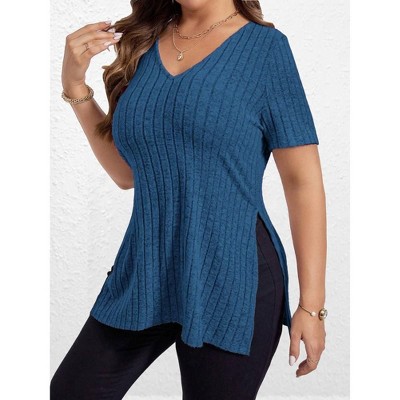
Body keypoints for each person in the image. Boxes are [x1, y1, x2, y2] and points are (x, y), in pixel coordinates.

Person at [51, 0, 327, 398]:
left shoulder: (266, 50)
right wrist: (75, 86)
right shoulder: (143, 44)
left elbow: (302, 182)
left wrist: (311, 305)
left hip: (233, 277)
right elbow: (127, 173)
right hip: (146, 271)